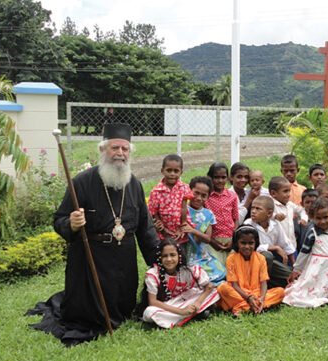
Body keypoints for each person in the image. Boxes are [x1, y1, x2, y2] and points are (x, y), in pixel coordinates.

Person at [26, 123, 159, 346]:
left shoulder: (133, 184)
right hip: (90, 262)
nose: (120, 154)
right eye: (115, 148)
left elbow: (146, 228)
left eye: (125, 149)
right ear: (102, 150)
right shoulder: (82, 182)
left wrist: (160, 262)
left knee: (123, 310)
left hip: (123, 261)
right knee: (88, 314)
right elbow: (59, 220)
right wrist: (73, 223)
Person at [141, 239, 219, 329]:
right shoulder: (153, 274)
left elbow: (209, 286)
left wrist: (197, 303)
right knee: (149, 312)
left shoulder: (188, 270)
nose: (169, 259)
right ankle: (192, 314)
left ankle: (178, 317)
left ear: (179, 256)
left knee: (215, 292)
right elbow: (153, 302)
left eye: (173, 255)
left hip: (186, 301)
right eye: (165, 256)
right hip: (166, 307)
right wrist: (181, 311)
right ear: (160, 258)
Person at [283, 198, 328, 308]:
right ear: (312, 217)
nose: (322, 221)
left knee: (327, 290)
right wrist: (296, 270)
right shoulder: (312, 233)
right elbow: (304, 253)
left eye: (326, 217)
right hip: (317, 268)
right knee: (311, 291)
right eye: (318, 218)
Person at [217, 226, 285, 317]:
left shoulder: (261, 258)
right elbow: (234, 285)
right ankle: (256, 306)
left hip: (257, 294)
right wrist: (248, 298)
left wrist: (261, 298)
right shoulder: (231, 258)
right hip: (239, 293)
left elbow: (264, 283)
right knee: (222, 288)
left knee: (280, 292)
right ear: (237, 243)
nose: (247, 246)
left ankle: (242, 308)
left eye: (251, 243)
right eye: (243, 243)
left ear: (256, 243)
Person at [243, 195, 294, 288]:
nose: (253, 211)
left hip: (269, 264)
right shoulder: (248, 224)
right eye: (252, 208)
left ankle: (270, 284)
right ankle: (258, 285)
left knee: (290, 276)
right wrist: (274, 248)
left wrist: (295, 268)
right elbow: (249, 247)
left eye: (258, 209)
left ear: (269, 213)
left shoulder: (275, 224)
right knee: (267, 255)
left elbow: (286, 244)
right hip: (251, 261)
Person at [182, 176, 225, 284]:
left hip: (202, 256)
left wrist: (193, 231)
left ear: (208, 197)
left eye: (203, 195)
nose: (199, 198)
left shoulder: (208, 214)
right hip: (184, 256)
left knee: (218, 275)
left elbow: (207, 239)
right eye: (196, 193)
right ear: (189, 191)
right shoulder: (182, 210)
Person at [149, 154, 192, 243]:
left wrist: (182, 226)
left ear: (181, 172)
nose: (172, 174)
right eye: (169, 170)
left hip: (179, 231)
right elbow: (154, 212)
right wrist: (163, 229)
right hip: (163, 232)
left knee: (181, 254)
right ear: (162, 171)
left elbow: (184, 208)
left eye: (176, 171)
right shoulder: (156, 191)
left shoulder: (184, 188)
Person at [204, 162, 238, 268]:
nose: (220, 180)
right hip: (212, 241)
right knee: (217, 268)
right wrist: (212, 242)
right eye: (216, 177)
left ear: (227, 178)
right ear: (210, 177)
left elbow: (235, 218)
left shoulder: (232, 196)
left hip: (230, 239)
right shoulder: (206, 197)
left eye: (223, 177)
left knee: (232, 268)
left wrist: (234, 239)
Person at [268, 176, 307, 251]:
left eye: (289, 191)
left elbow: (302, 210)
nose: (289, 194)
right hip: (278, 248)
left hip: (292, 246)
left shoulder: (290, 205)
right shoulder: (270, 205)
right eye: (285, 191)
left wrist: (304, 219)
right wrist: (274, 216)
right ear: (273, 193)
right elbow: (264, 215)